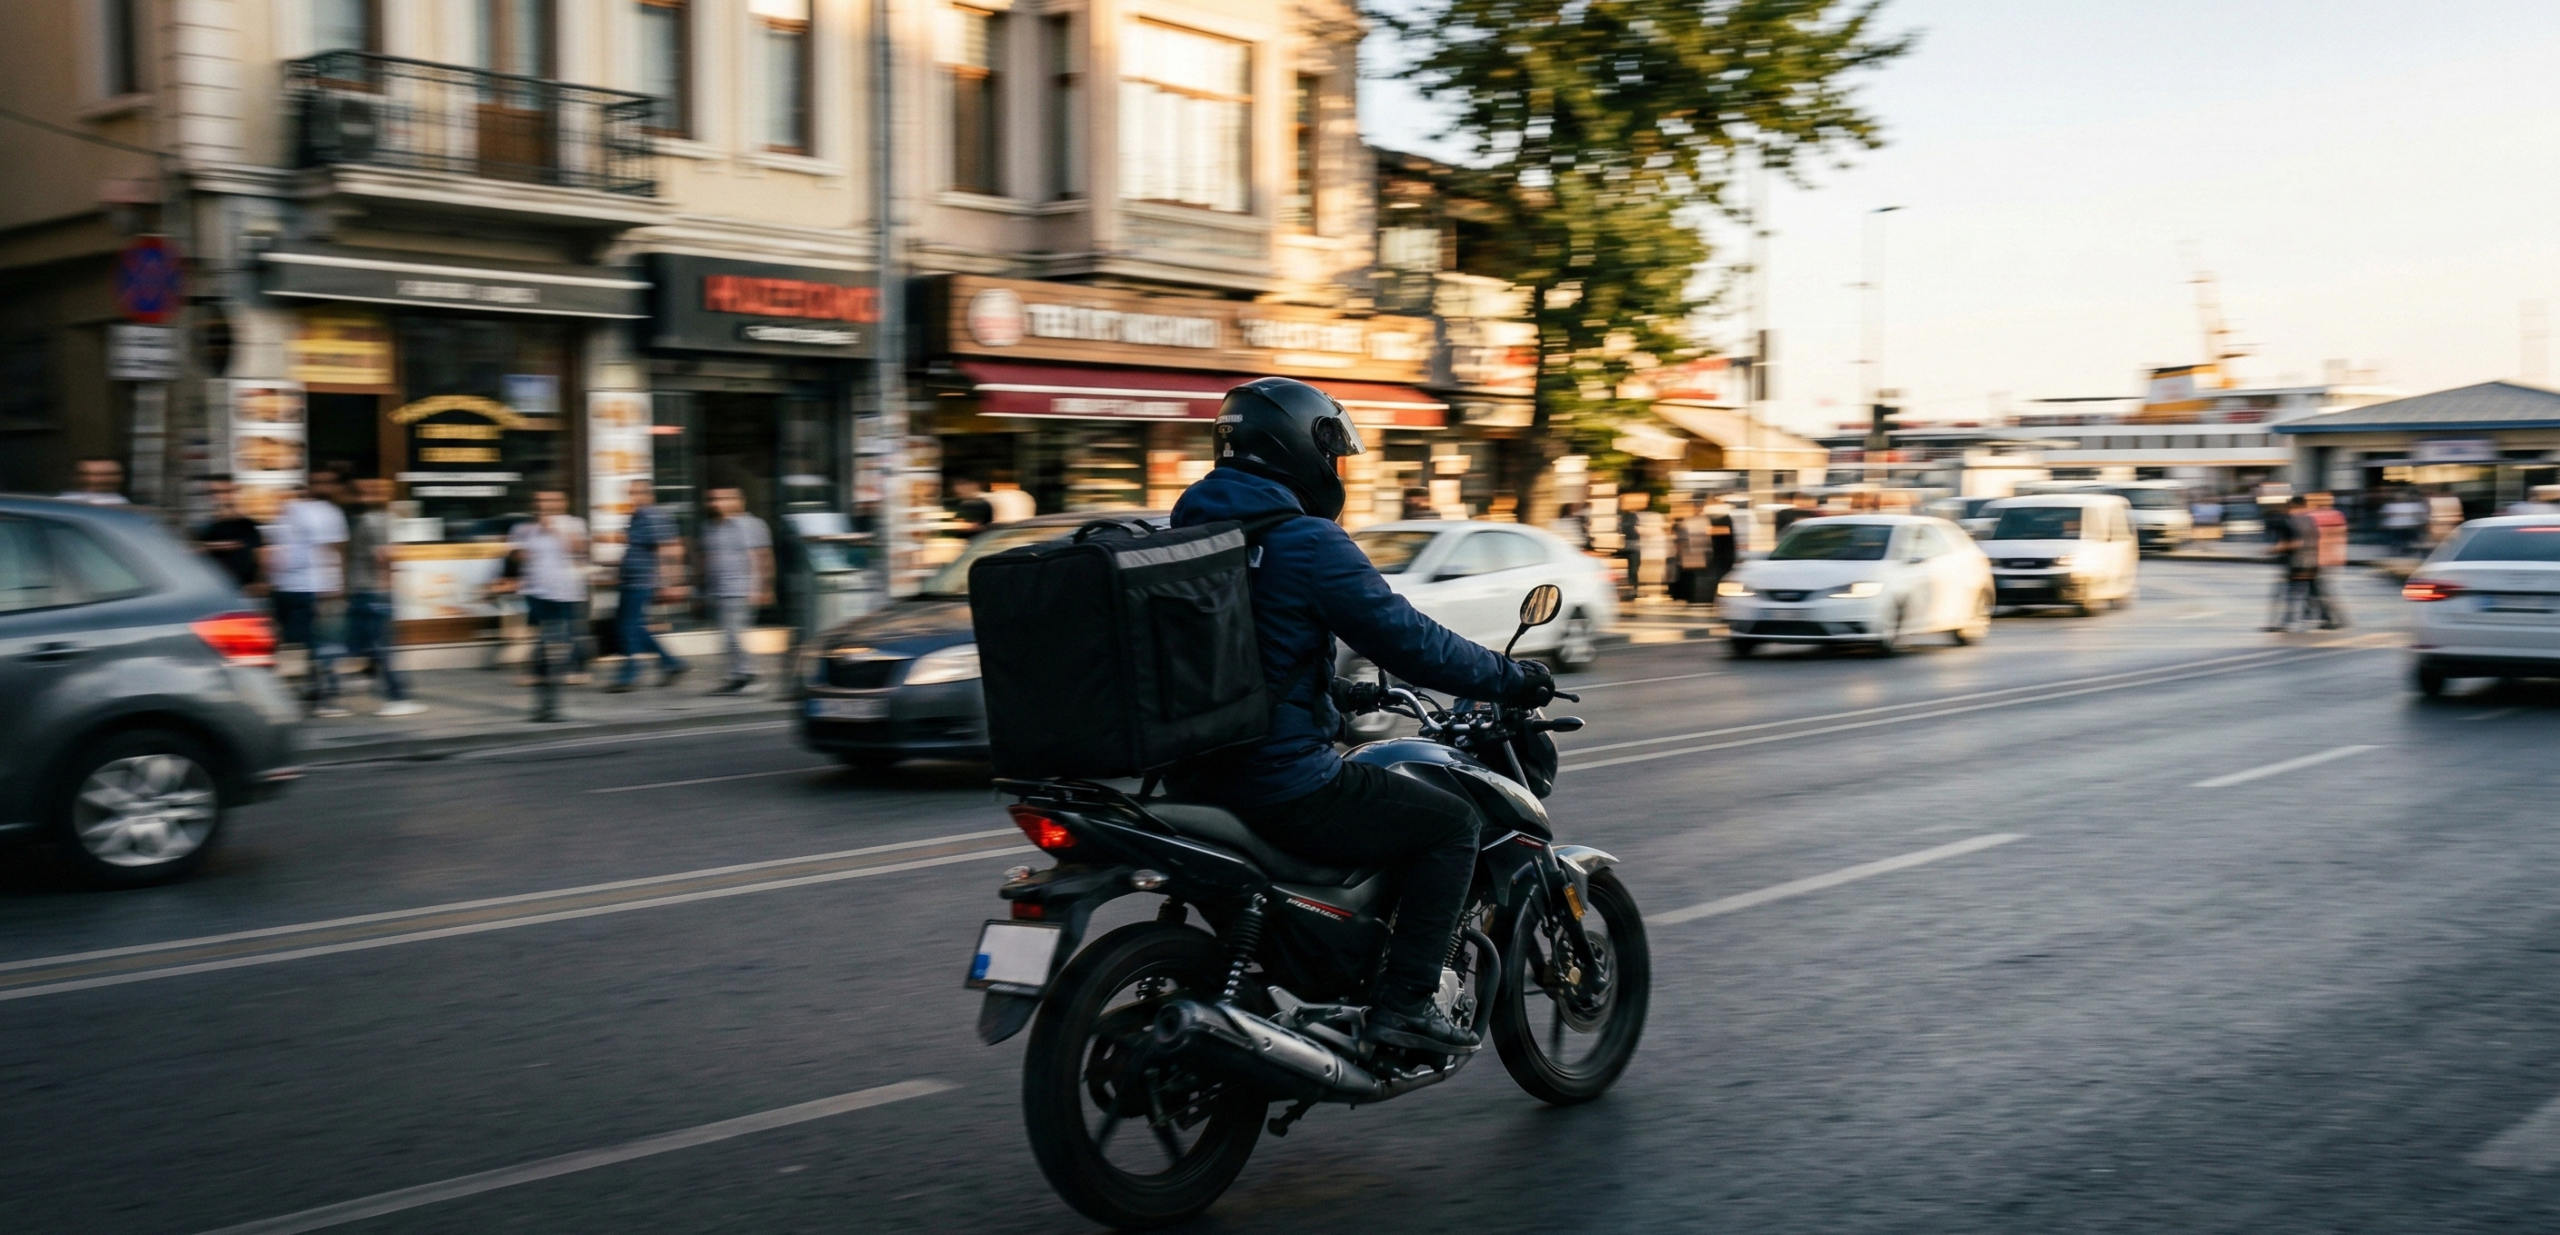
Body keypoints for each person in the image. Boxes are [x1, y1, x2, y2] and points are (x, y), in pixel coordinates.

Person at [1166, 376, 1554, 1053]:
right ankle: (1405, 1004)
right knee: (1451, 825)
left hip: (1192, 775)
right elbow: (1409, 641)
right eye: (1330, 454)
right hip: (1280, 782)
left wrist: (1339, 694)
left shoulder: (1187, 534)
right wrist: (1509, 677)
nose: (1334, 469)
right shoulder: (1306, 541)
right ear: (1297, 449)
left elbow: (1238, 656)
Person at [268, 468, 349, 716]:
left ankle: (278, 693)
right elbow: (334, 551)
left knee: (282, 641)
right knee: (323, 644)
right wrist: (337, 586)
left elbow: (273, 550)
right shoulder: (328, 512)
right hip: (313, 587)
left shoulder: (285, 511)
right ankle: (325, 699)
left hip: (286, 587)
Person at [504, 490, 589, 722]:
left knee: (553, 647)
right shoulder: (525, 528)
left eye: (550, 500)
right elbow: (517, 557)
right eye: (540, 501)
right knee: (547, 645)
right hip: (537, 593)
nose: (544, 504)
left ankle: (550, 704)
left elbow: (579, 550)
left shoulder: (574, 524)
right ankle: (547, 704)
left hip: (564, 594)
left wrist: (555, 530)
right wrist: (519, 550)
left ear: (562, 503)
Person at [344, 478, 423, 716]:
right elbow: (383, 556)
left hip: (361, 589)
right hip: (374, 590)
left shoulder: (361, 520)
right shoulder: (378, 520)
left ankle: (375, 684)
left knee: (371, 643)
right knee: (383, 645)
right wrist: (386, 590)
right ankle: (398, 697)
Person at [607, 478, 689, 693]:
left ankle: (629, 674)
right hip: (630, 580)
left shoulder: (653, 516)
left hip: (642, 582)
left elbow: (669, 549)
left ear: (648, 494)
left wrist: (670, 583)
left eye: (636, 493)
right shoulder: (636, 517)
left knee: (627, 628)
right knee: (633, 627)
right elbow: (636, 547)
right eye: (630, 493)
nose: (632, 498)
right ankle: (672, 663)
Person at [702, 486, 772, 694]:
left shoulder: (751, 525)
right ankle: (737, 675)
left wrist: (762, 588)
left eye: (724, 498)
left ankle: (746, 675)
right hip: (720, 590)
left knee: (734, 636)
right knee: (728, 638)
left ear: (739, 500)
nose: (716, 503)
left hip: (741, 589)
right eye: (713, 499)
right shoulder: (712, 527)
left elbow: (761, 557)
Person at [194, 475, 264, 592]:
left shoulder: (247, 525)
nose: (222, 496)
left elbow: (260, 556)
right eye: (216, 492)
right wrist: (213, 547)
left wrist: (259, 582)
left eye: (227, 491)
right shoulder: (205, 526)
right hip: (214, 588)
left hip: (243, 589)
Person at [57, 456, 129, 505]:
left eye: (108, 474)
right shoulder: (62, 503)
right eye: (86, 474)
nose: (95, 479)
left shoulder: (125, 506)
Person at [2380, 488, 2428, 557]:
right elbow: (2384, 514)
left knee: (2409, 540)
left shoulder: (2414, 505)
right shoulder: (2390, 505)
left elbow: (2421, 514)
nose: (2400, 498)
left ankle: (2408, 551)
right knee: (2396, 540)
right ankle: (2398, 551)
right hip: (2396, 526)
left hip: (2410, 526)